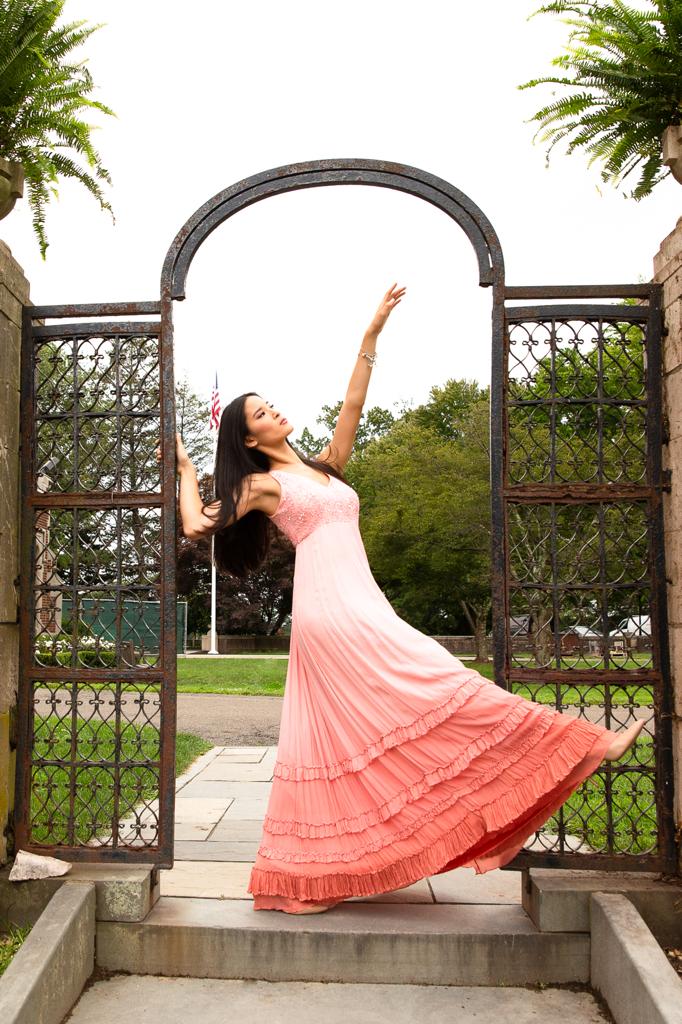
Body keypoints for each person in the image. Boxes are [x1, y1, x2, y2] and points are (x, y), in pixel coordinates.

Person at [169, 283, 645, 915]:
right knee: (442, 681)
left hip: (361, 604)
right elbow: (196, 526)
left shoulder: (323, 466)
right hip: (332, 613)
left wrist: (371, 334)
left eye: (272, 404)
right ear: (249, 437)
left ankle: (312, 879)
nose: (275, 413)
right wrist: (186, 470)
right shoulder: (261, 483)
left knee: (348, 738)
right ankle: (583, 743)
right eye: (260, 413)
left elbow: (353, 406)